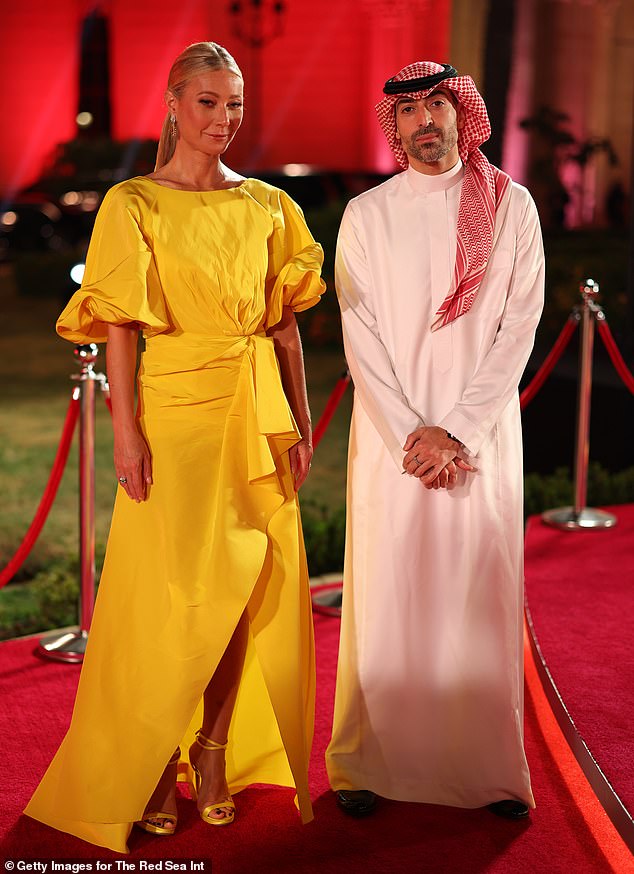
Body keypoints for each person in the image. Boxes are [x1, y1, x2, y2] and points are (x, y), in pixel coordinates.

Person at [25, 41, 324, 853]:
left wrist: (295, 420)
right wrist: (125, 431)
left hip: (253, 413)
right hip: (173, 416)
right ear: (172, 104)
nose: (224, 119)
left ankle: (214, 750)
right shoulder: (133, 203)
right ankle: (153, 760)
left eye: (234, 105)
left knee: (237, 590)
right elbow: (118, 323)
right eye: (208, 103)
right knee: (163, 595)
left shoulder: (267, 205)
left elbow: (287, 325)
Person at [326, 62, 544, 820]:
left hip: (479, 439)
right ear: (394, 125)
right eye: (410, 110)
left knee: (476, 596)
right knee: (390, 593)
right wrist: (412, 435)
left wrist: (456, 429)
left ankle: (488, 771)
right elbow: (361, 335)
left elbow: (519, 326)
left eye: (438, 105)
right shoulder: (366, 215)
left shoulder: (510, 207)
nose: (425, 121)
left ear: (463, 113)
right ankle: (367, 763)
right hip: (395, 449)